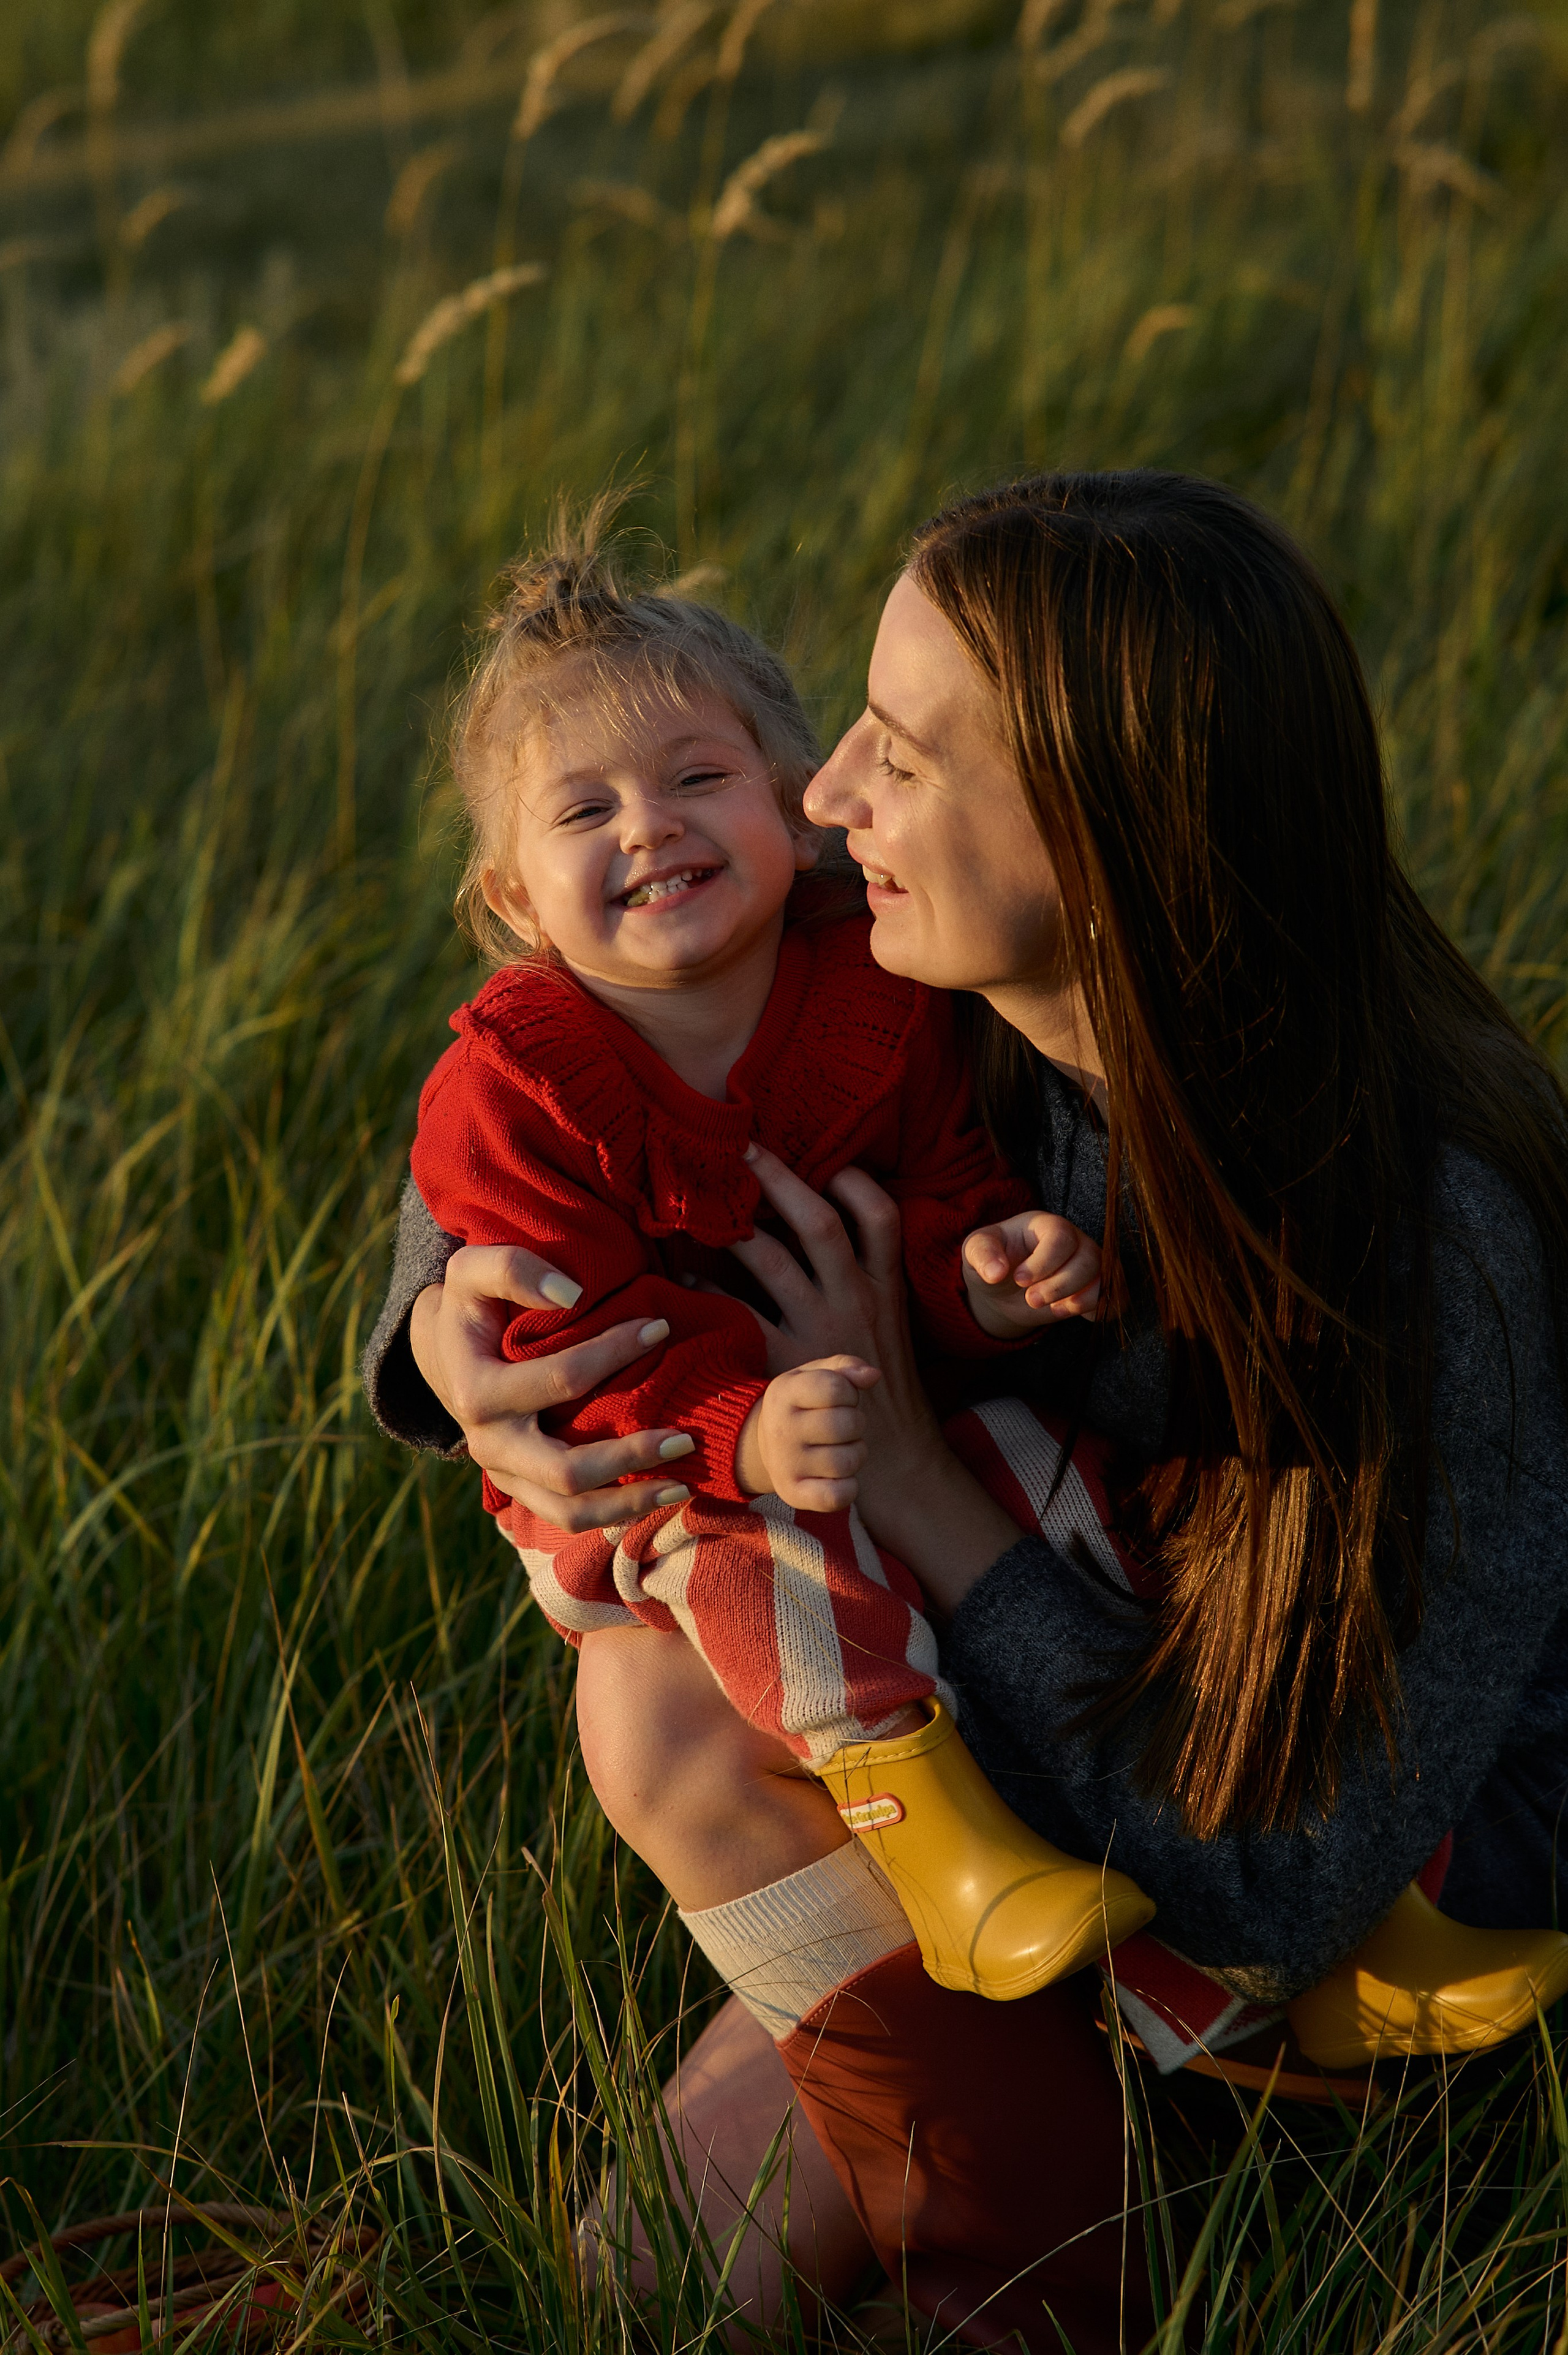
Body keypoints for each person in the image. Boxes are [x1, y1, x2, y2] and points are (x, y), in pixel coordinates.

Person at [366, 473, 1568, 2352]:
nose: (825, 798)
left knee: (657, 1722)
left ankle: (1044, 2273)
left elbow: (1280, 1871)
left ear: (1105, 833)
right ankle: (1006, 2167)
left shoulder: (1424, 1249)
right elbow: (580, 1037)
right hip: (1044, 1767)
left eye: (898, 755)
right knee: (608, 2294)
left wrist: (918, 1475)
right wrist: (442, 1318)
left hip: (1368, 1942)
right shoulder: (949, 975)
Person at [398, 510, 1153, 2008]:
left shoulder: (871, 979)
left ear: (795, 804)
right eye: (582, 811)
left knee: (1057, 1474)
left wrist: (988, 1277)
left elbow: (944, 1185)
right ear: (509, 904)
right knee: (773, 1563)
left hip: (888, 1403)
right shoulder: (507, 1085)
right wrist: (742, 1426)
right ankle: (940, 1846)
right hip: (650, 1471)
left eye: (697, 778)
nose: (646, 827)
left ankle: (1244, 1834)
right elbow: (564, 1340)